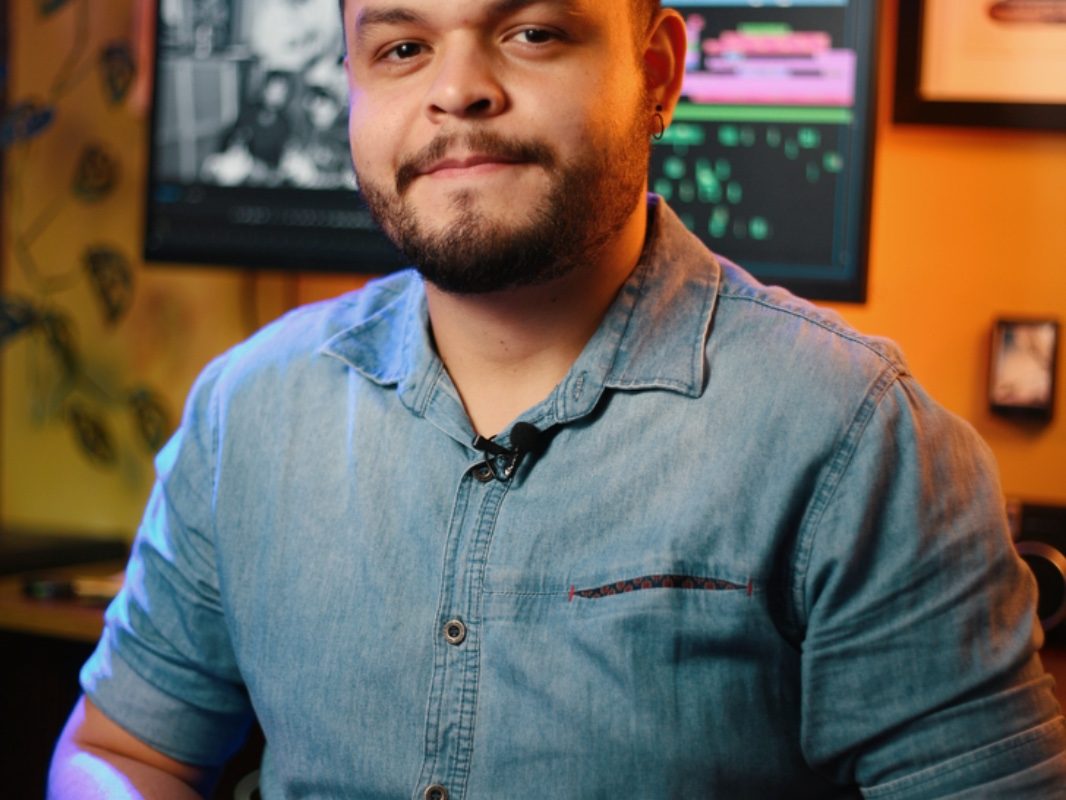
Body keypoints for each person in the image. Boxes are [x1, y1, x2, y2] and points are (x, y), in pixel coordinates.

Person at [50, 1, 1066, 797]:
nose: (458, 90)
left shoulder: (852, 434)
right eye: (401, 48)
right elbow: (123, 748)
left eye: (532, 33)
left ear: (657, 74)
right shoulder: (247, 410)